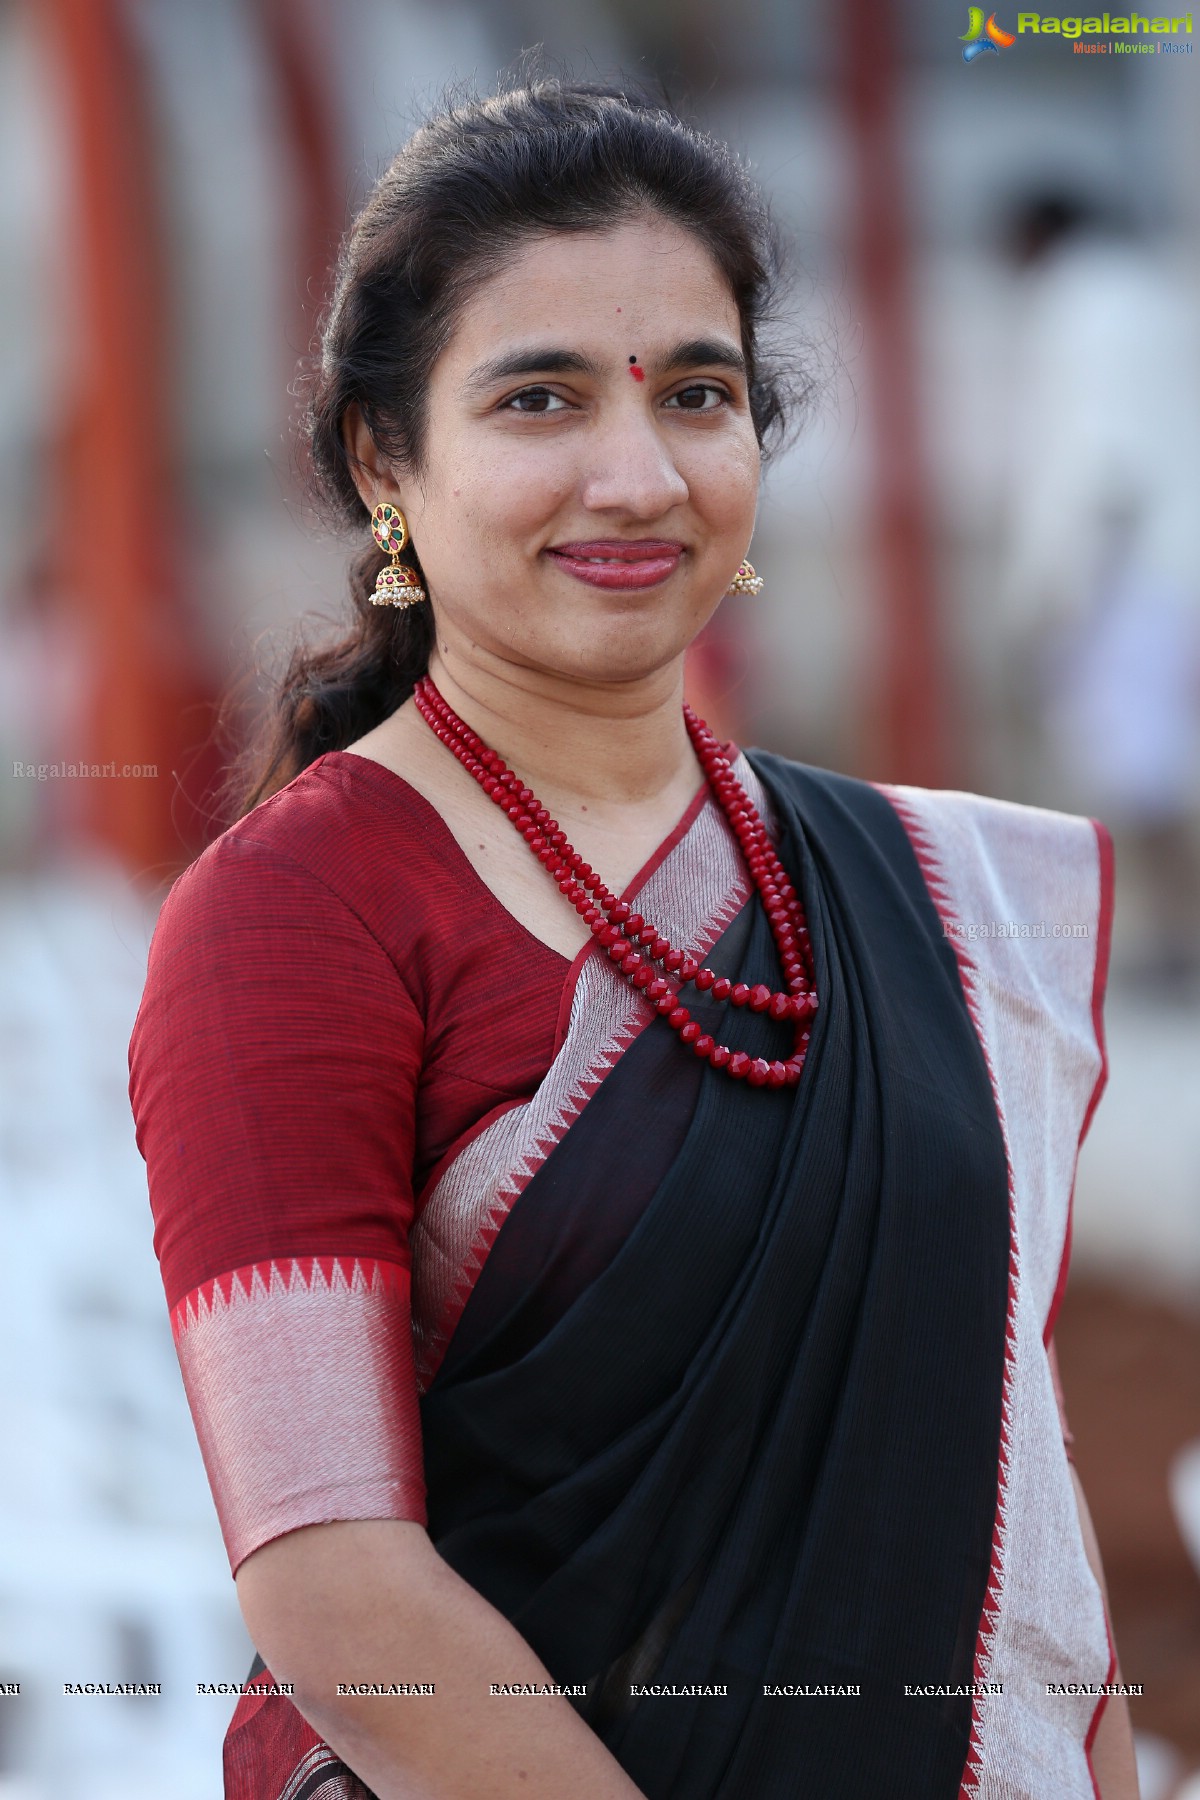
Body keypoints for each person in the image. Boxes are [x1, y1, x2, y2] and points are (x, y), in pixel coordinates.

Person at [128, 80, 1139, 1800]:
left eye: (697, 393)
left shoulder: (923, 895)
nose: (637, 471)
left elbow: (1005, 1496)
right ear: (387, 459)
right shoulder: (289, 921)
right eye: (540, 397)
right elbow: (333, 1582)